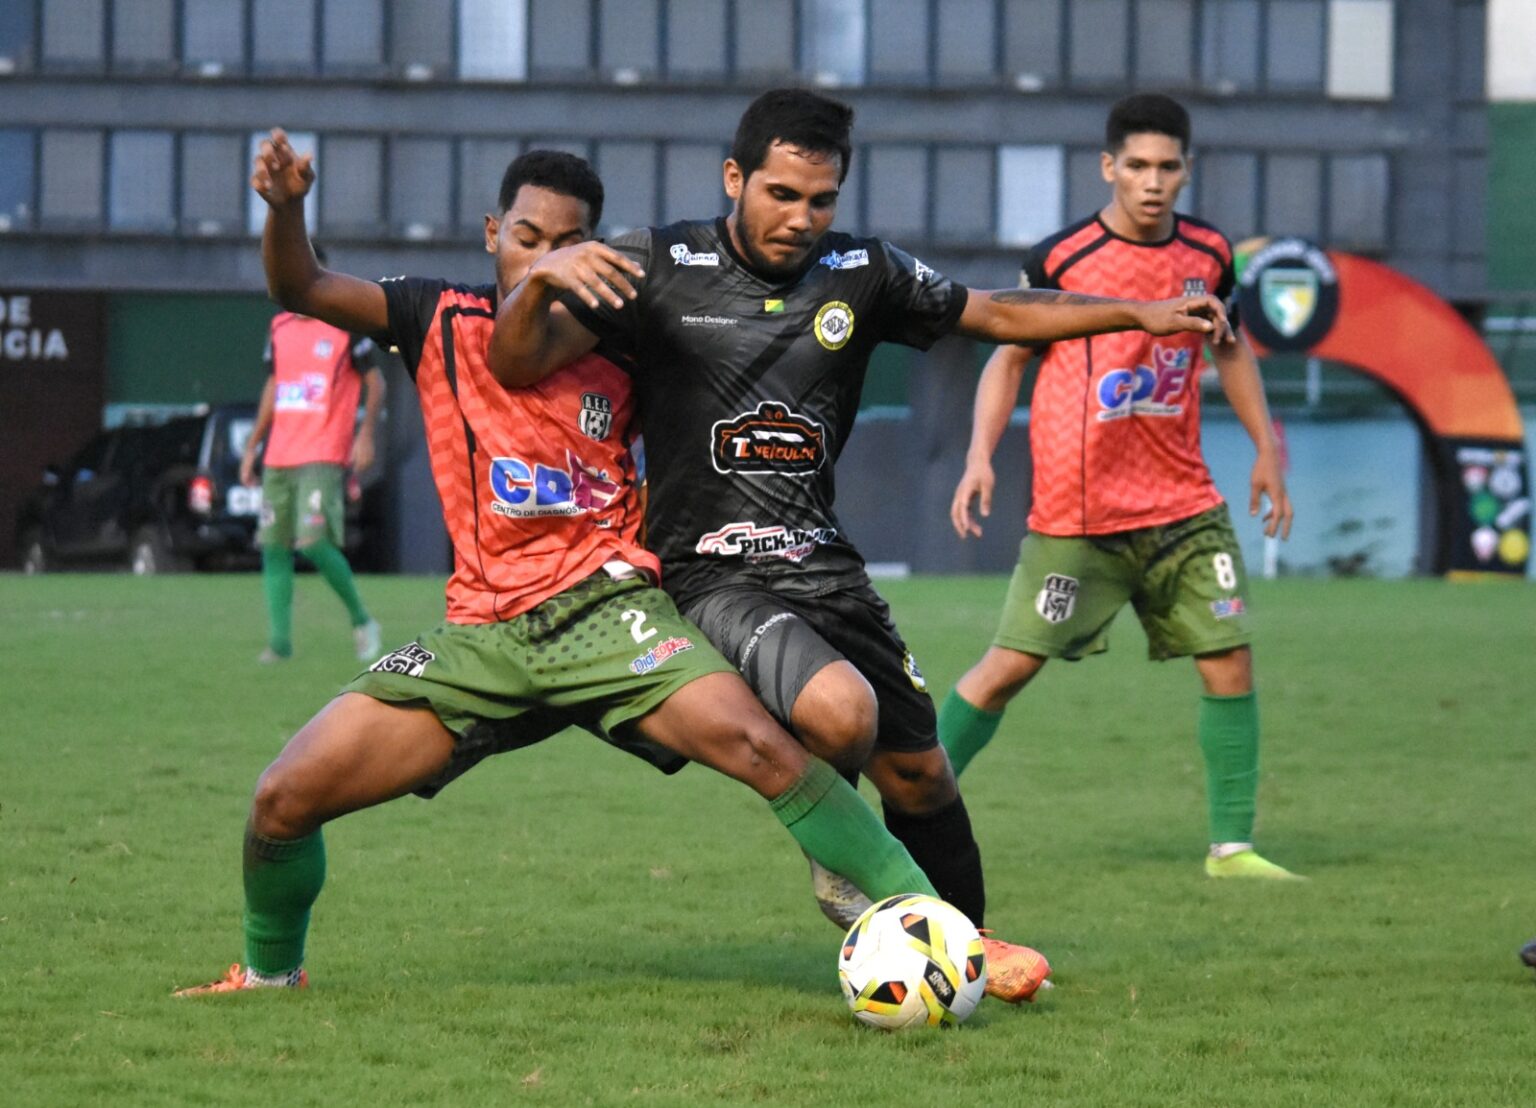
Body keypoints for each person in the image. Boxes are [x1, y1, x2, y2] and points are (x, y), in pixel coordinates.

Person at [486, 88, 1233, 1001]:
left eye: (821, 199)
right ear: (735, 178)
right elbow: (515, 362)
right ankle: (842, 868)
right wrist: (544, 277)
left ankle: (969, 950)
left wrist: (1137, 312)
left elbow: (996, 312)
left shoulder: (861, 272)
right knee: (840, 715)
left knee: (920, 771)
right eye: (780, 194)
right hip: (712, 574)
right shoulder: (656, 263)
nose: (800, 219)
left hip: (828, 569)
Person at [175, 132, 942, 996]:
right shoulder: (436, 316)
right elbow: (299, 285)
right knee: (284, 797)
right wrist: (284, 208)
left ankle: (945, 936)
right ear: (492, 232)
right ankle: (270, 979)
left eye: (567, 242)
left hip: (608, 614)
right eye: (528, 236)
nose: (544, 254)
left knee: (766, 750)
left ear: (597, 252)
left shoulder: (625, 344)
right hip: (484, 638)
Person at [942, 93, 1300, 880]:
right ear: (1109, 168)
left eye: (1167, 166)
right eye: (1136, 165)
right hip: (1080, 517)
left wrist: (1266, 449)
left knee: (1230, 660)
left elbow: (1229, 348)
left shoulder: (1209, 253)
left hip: (1184, 506)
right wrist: (980, 455)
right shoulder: (1061, 258)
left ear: (1186, 170)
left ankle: (1232, 849)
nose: (1152, 181)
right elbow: (1007, 353)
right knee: (1008, 668)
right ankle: (908, 809)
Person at [241, 243, 385, 665]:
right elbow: (274, 386)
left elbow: (376, 383)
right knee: (273, 545)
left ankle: (363, 620)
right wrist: (253, 446)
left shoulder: (346, 324)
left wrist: (366, 436)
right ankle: (280, 644)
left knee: (313, 541)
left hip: (324, 451)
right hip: (279, 454)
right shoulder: (280, 327)